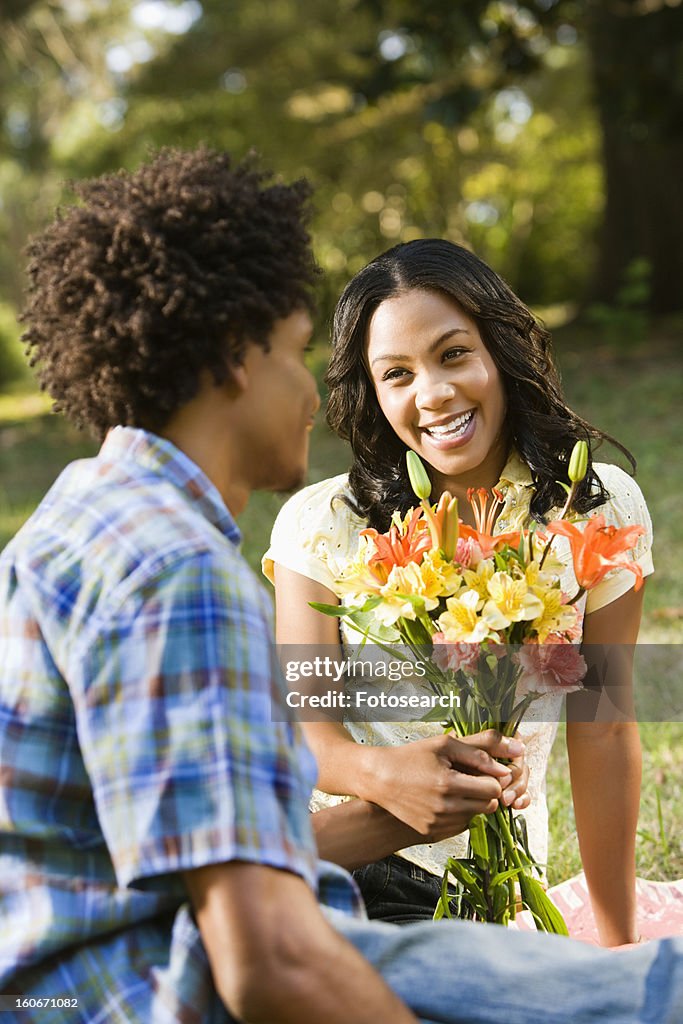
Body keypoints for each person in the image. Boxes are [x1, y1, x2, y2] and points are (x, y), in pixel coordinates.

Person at [0, 147, 678, 1024]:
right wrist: (382, 783)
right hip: (143, 980)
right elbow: (266, 955)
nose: (316, 397)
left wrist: (419, 811)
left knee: (618, 986)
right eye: (294, 353)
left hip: (121, 954)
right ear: (236, 358)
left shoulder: (86, 511)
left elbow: (198, 849)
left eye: (451, 355)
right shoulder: (185, 571)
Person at [265, 238, 653, 942]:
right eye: (396, 374)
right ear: (372, 394)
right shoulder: (323, 525)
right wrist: (385, 776)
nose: (432, 395)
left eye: (452, 354)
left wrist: (621, 951)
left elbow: (603, 729)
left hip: (498, 880)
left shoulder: (591, 510)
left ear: (499, 352)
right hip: (346, 861)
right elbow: (305, 731)